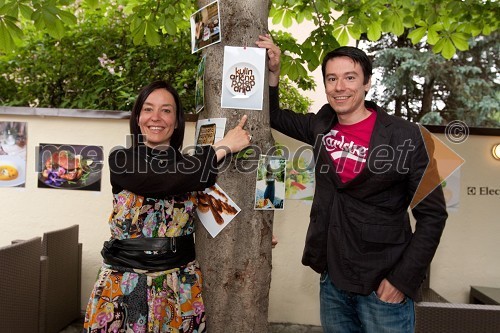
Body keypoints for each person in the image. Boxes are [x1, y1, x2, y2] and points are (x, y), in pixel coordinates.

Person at [256, 35, 447, 333]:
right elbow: (274, 115)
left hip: (382, 284)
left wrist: (401, 281)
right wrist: (273, 75)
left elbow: (433, 215)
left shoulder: (407, 136)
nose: (340, 87)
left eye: (349, 77)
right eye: (332, 78)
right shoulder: (320, 126)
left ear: (367, 83)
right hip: (332, 282)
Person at [83, 80, 251, 332]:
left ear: (177, 120)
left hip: (178, 286)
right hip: (125, 282)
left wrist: (254, 233)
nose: (156, 117)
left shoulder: (193, 167)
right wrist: (222, 147)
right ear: (138, 117)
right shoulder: (122, 159)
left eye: (166, 110)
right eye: (148, 109)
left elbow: (216, 210)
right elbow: (162, 179)